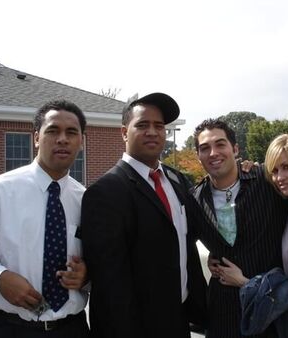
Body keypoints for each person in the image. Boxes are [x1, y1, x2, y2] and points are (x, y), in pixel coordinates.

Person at [80, 93, 207, 338]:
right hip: (135, 327)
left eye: (159, 126)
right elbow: (108, 280)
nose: (153, 132)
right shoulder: (105, 192)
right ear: (124, 133)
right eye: (142, 125)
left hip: (179, 320)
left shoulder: (176, 179)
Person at [0, 99, 89, 337]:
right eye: (52, 131)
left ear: (81, 142)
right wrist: (0, 278)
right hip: (9, 328)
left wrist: (87, 275)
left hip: (72, 328)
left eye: (71, 132)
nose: (62, 139)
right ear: (37, 138)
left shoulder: (87, 200)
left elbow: (102, 257)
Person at [217, 132, 288, 338]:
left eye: (287, 167)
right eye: (274, 170)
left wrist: (243, 281)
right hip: (287, 324)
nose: (279, 177)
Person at [192, 119, 288, 338]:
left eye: (220, 144)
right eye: (204, 148)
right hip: (222, 315)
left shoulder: (268, 181)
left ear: (235, 149)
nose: (213, 153)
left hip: (271, 312)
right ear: (198, 156)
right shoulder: (194, 200)